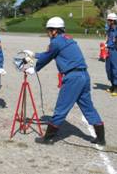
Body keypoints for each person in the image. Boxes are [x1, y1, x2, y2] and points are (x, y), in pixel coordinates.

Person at [24, 16, 105, 145]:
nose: (48, 33)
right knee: (88, 107)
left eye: (49, 30)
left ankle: (48, 138)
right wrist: (34, 55)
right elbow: (51, 54)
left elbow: (48, 57)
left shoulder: (56, 42)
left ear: (55, 31)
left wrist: (35, 68)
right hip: (83, 75)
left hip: (73, 78)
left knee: (61, 108)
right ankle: (101, 138)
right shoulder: (67, 39)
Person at [104, 13, 117, 95]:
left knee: (115, 69)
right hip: (108, 51)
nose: (107, 21)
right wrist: (104, 44)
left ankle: (116, 87)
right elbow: (108, 38)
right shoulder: (109, 29)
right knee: (108, 69)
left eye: (109, 20)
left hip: (115, 51)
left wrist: (108, 45)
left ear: (113, 21)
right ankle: (112, 84)